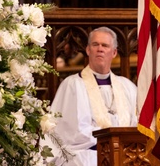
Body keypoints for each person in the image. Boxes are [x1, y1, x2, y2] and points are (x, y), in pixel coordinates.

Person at [47, 27, 137, 166]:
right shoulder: (72, 85)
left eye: (105, 45)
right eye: (95, 45)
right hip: (87, 155)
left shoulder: (128, 87)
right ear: (88, 50)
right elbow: (69, 133)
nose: (100, 49)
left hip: (126, 155)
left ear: (114, 53)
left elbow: (137, 124)